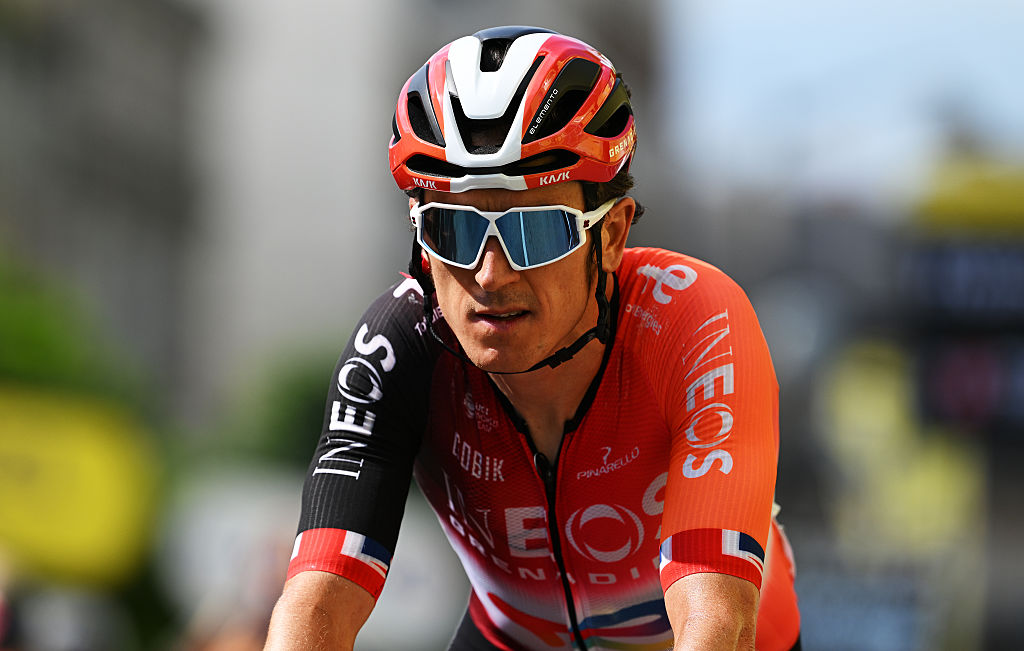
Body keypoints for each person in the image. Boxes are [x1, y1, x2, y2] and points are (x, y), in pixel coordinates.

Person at [264, 26, 800, 651]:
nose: (490, 275)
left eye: (535, 233)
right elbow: (315, 605)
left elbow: (717, 621)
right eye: (454, 231)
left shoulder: (694, 322)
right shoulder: (399, 347)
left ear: (613, 235)